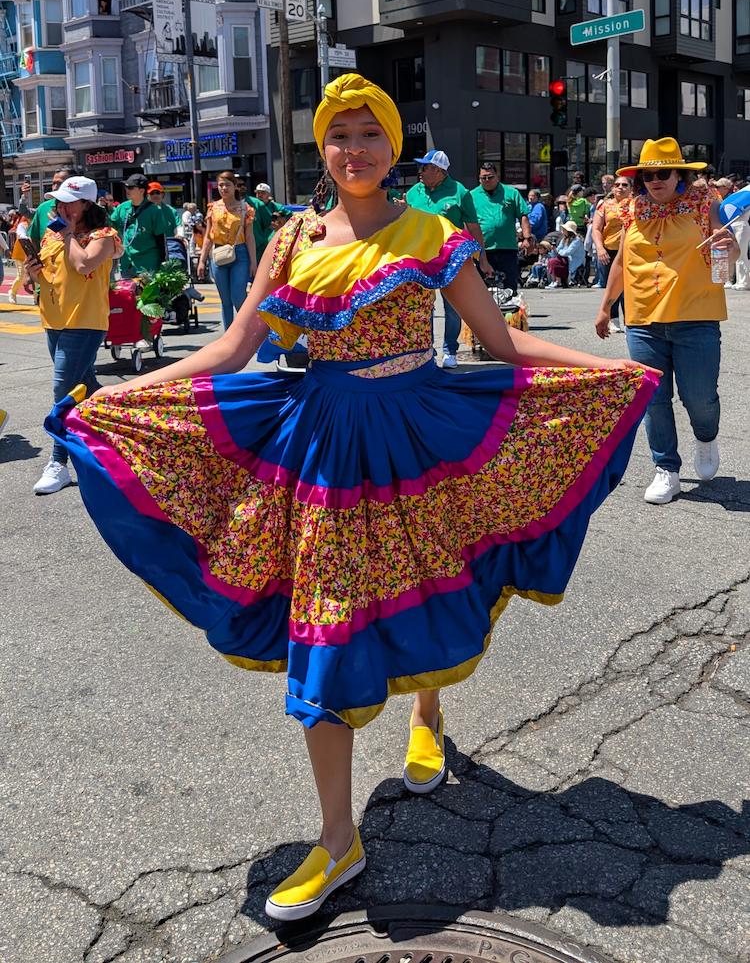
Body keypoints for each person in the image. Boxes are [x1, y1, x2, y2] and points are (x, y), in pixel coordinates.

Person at [46, 74, 657, 920]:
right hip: (323, 445)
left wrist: (614, 370)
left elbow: (499, 338)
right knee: (326, 625)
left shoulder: (430, 229)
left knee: (435, 583)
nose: (355, 149)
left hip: (419, 438)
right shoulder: (293, 237)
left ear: (394, 145)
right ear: (322, 148)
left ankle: (428, 713)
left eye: (371, 133)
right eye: (340, 134)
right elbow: (231, 347)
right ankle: (339, 837)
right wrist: (122, 394)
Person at [595, 137, 739, 505]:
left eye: (663, 172)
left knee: (700, 399)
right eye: (648, 174)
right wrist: (606, 305)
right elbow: (622, 262)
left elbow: (730, 249)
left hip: (696, 315)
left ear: (679, 176)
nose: (655, 179)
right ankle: (666, 469)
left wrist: (728, 244)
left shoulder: (705, 203)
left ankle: (706, 439)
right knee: (652, 399)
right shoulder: (632, 209)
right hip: (643, 319)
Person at [26, 176, 122, 494]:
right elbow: (50, 276)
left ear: (87, 204)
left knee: (61, 391)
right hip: (53, 319)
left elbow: (83, 266)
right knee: (87, 388)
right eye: (60, 201)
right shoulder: (55, 233)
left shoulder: (104, 235)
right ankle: (120, 436)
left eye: (69, 201)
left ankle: (59, 463)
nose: (62, 206)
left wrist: (68, 235)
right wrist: (32, 272)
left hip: (85, 320)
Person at [406, 150, 488, 368]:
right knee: (422, 307)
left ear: (440, 171)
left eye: (425, 167)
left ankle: (449, 350)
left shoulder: (460, 192)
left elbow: (473, 227)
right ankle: (426, 351)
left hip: (450, 259)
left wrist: (483, 258)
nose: (420, 172)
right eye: (421, 167)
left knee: (452, 307)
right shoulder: (413, 192)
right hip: (419, 259)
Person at [197, 171, 256, 329]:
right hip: (218, 254)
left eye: (227, 185)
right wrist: (202, 261)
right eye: (221, 185)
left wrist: (253, 263)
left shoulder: (245, 208)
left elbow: (249, 237)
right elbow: (208, 236)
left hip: (240, 253)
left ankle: (245, 332)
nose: (223, 188)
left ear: (235, 187)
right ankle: (228, 335)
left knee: (238, 296)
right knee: (225, 300)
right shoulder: (213, 208)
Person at [469, 162, 528, 294]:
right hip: (482, 250)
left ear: (497, 177)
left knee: (509, 286)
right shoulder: (471, 196)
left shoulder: (511, 193)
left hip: (507, 248)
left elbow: (523, 215)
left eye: (490, 177)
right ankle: (484, 314)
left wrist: (527, 238)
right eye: (483, 178)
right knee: (481, 289)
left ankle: (510, 313)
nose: (486, 180)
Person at [592, 176, 631, 330]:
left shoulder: (637, 204)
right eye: (617, 184)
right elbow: (596, 229)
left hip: (630, 251)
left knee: (629, 287)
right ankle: (613, 319)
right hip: (610, 250)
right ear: (612, 188)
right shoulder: (605, 205)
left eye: (624, 184)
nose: (620, 187)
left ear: (631, 188)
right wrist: (600, 248)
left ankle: (630, 321)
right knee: (612, 285)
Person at [110, 174, 167, 278]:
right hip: (127, 263)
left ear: (142, 190)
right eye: (126, 187)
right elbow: (109, 225)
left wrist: (163, 263)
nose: (127, 190)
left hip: (147, 264)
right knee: (127, 294)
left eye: (131, 187)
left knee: (148, 294)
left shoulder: (154, 211)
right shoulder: (122, 207)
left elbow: (160, 239)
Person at [251, 182, 292, 262]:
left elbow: (290, 215)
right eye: (258, 193)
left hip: (271, 240)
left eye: (263, 193)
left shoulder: (275, 206)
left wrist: (280, 218)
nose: (259, 195)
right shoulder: (252, 206)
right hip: (257, 242)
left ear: (268, 194)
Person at [547, 220, 584, 288]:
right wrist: (556, 250)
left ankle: (557, 282)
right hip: (565, 259)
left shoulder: (577, 240)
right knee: (551, 260)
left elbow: (568, 252)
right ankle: (554, 280)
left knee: (554, 262)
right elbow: (559, 249)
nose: (563, 231)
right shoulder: (564, 239)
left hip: (573, 261)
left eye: (565, 229)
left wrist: (558, 251)